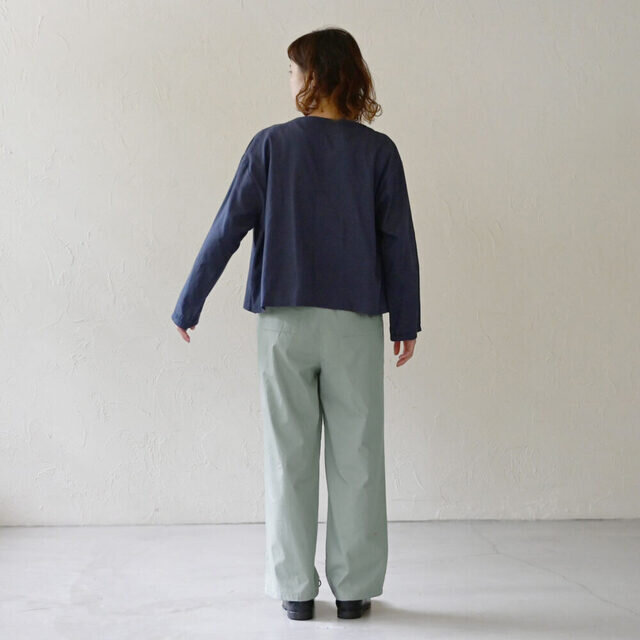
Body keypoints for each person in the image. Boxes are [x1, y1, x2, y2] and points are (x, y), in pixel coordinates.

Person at [171, 27, 421, 621]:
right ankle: (354, 591)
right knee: (358, 456)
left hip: (283, 324)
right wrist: (405, 320)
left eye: (292, 70)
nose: (289, 80)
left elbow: (227, 226)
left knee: (288, 457)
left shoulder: (271, 146)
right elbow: (398, 241)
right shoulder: (378, 152)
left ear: (314, 75)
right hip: (354, 324)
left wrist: (190, 301)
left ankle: (295, 591)